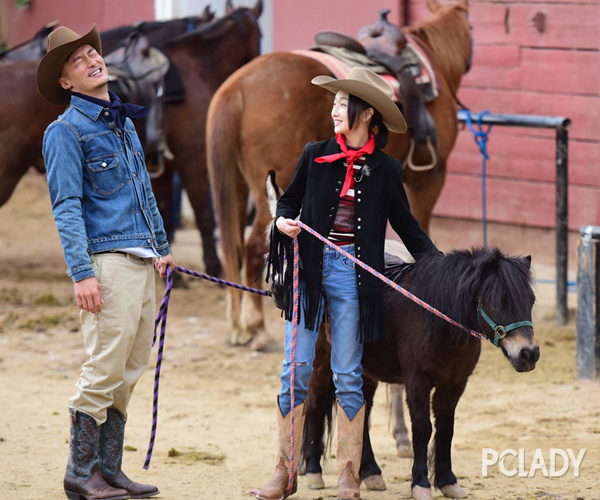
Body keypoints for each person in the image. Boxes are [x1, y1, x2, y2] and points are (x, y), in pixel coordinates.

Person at [258, 67, 439, 500]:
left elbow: (408, 229)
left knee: (348, 376)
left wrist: (442, 270)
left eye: (343, 103)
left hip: (356, 282)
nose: (335, 110)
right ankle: (284, 472)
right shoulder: (313, 154)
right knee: (295, 372)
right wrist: (282, 221)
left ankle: (348, 476)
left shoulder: (387, 169)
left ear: (367, 114)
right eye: (335, 103)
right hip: (310, 274)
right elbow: (288, 201)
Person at [36, 24, 175, 500]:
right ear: (66, 83)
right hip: (107, 264)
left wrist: (161, 247)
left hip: (143, 263)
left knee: (129, 372)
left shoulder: (124, 124)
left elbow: (144, 192)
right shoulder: (65, 131)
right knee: (102, 370)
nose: (93, 59)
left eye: (93, 52)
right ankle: (80, 473)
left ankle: (109, 469)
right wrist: (81, 273)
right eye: (78, 60)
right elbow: (66, 206)